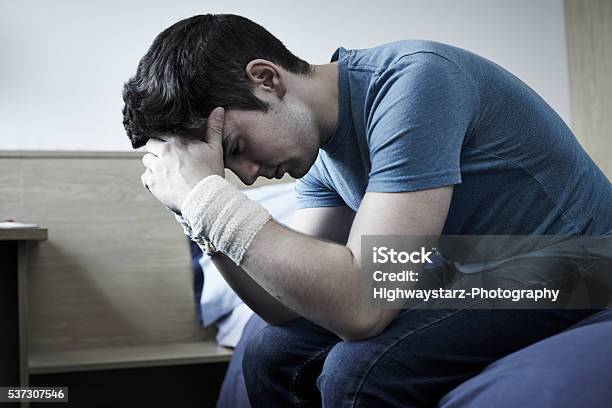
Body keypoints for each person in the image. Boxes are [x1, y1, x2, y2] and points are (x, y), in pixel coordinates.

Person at [122, 14, 612, 407]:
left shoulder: (415, 82)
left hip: (586, 263)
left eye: (238, 147)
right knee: (268, 349)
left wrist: (211, 199)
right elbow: (286, 305)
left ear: (266, 79)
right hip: (476, 263)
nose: (247, 176)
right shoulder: (321, 150)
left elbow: (363, 307)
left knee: (361, 369)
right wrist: (200, 213)